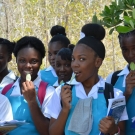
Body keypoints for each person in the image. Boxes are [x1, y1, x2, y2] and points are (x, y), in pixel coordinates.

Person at [46, 23, 128, 135]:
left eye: (82, 59)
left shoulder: (114, 95)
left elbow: (121, 132)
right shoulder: (62, 92)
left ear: (97, 62)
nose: (74, 64)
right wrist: (65, 109)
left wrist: (114, 131)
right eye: (73, 59)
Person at [2, 36, 55, 135]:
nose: (28, 66)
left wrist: (32, 101)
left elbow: (48, 132)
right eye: (22, 60)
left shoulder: (48, 91)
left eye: (34, 61)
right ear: (16, 61)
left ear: (41, 62)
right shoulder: (6, 91)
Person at [106, 30, 135, 135]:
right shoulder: (113, 79)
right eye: (125, 49)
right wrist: (126, 93)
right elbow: (112, 118)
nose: (130, 55)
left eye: (134, 48)